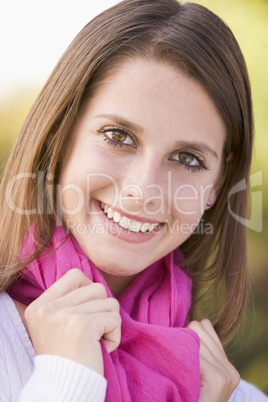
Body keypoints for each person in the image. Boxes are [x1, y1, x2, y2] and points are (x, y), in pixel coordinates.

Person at [0, 0, 267, 400]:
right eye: (118, 136)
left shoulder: (231, 395)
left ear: (217, 186)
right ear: (61, 135)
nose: (143, 191)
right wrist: (66, 379)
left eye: (187, 159)